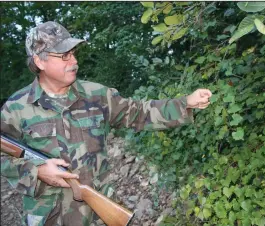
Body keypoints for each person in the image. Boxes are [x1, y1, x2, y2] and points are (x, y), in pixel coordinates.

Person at [0, 21, 212, 226]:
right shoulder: (16, 107)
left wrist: (185, 104)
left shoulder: (96, 95)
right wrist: (37, 172)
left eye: (73, 54)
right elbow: (4, 156)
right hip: (49, 216)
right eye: (64, 56)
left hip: (97, 214)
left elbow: (138, 113)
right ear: (39, 61)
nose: (74, 62)